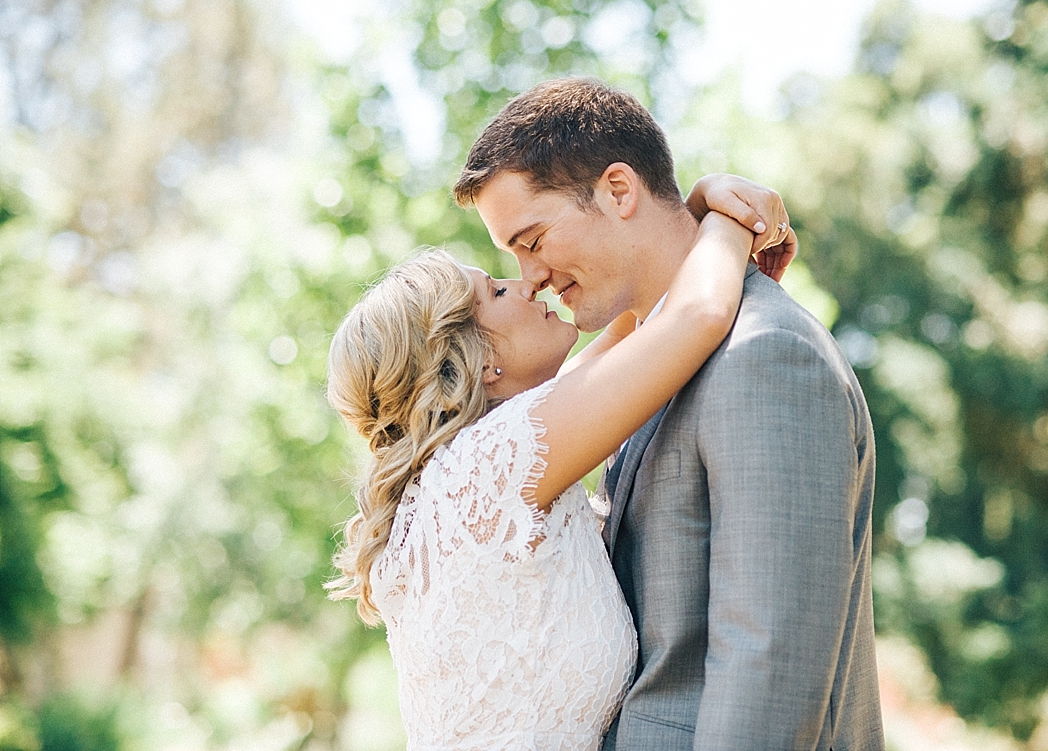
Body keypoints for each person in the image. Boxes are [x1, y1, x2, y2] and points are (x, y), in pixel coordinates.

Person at [454, 77, 885, 750]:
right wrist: (716, 209)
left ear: (619, 190)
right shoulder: (638, 376)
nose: (529, 276)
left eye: (532, 240)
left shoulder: (766, 355)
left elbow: (766, 672)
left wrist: (715, 210)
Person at [325, 193, 789, 745]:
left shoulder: (463, 474)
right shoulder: (490, 466)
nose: (527, 284)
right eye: (495, 292)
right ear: (474, 361)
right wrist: (736, 217)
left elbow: (642, 321)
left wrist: (684, 212)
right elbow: (696, 315)